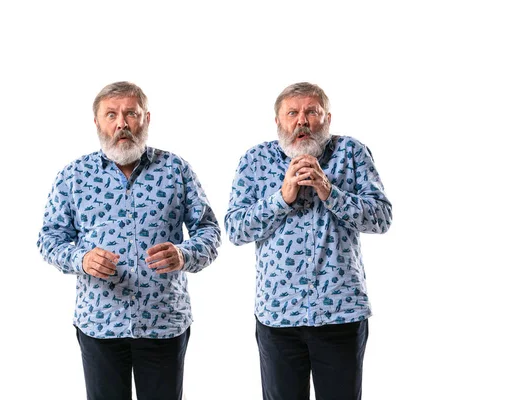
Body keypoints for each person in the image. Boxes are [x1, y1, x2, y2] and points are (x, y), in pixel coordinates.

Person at [37, 81, 220, 400]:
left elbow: (209, 232)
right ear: (97, 123)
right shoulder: (74, 176)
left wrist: (184, 254)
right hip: (99, 323)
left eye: (130, 114)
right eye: (111, 114)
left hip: (164, 322)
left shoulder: (176, 170)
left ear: (146, 119)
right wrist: (81, 259)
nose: (121, 123)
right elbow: (50, 239)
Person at [225, 82, 392, 400]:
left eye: (311, 112)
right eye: (292, 113)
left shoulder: (351, 153)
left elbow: (382, 218)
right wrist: (281, 198)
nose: (301, 121)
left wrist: (329, 191)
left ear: (327, 118)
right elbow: (235, 229)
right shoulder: (255, 160)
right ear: (278, 122)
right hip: (278, 315)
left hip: (340, 312)